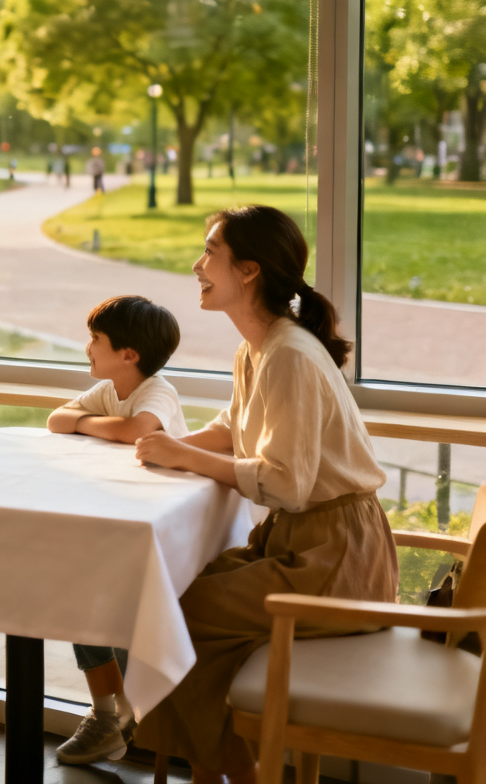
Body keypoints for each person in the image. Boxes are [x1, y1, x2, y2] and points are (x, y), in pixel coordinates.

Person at [133, 205, 398, 784]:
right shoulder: (259, 347)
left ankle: (234, 776)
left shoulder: (290, 357)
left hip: (335, 559)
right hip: (304, 545)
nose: (197, 265)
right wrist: (162, 442)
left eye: (210, 253)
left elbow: (286, 483)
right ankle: (220, 772)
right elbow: (233, 430)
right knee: (174, 596)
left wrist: (183, 455)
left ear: (248, 271)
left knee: (169, 617)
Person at [46, 295, 187, 766]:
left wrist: (91, 426)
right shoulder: (109, 392)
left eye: (95, 339)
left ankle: (125, 715)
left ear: (129, 355)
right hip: (120, 517)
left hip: (161, 531)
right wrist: (91, 421)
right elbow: (57, 419)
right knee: (78, 586)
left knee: (96, 595)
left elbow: (139, 433)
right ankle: (111, 712)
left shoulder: (155, 390)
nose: (87, 347)